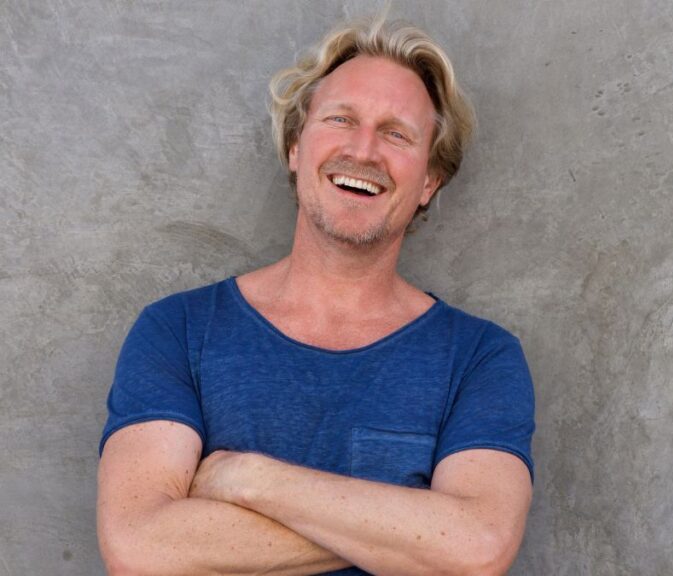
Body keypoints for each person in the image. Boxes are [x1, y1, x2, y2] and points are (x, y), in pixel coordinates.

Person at [96, 16, 535, 576]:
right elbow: (141, 549)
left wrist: (247, 479)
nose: (364, 149)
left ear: (429, 181)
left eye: (397, 133)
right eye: (340, 119)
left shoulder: (480, 358)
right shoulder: (178, 331)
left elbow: (478, 549)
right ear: (296, 148)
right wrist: (413, 528)